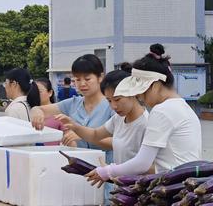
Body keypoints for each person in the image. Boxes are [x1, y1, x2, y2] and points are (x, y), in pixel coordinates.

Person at [86, 44, 202, 187]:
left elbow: (142, 163)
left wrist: (107, 171)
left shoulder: (162, 111)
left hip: (172, 188)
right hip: (186, 185)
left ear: (156, 85)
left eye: (142, 92)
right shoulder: (183, 107)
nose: (140, 97)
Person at [31, 55, 114, 203]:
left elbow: (118, 142)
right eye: (77, 79)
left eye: (87, 79)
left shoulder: (112, 106)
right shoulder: (73, 104)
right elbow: (40, 109)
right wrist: (36, 111)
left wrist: (83, 135)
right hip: (79, 179)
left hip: (107, 177)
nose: (82, 84)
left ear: (100, 77)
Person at [56, 64, 148, 167]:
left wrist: (112, 171)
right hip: (121, 181)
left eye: (117, 99)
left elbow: (150, 166)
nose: (113, 106)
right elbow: (95, 135)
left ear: (133, 93)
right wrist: (75, 126)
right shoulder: (118, 119)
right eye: (109, 101)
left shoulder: (146, 124)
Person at [32, 78, 65, 145]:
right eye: (34, 92)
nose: (36, 94)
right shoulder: (30, 111)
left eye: (39, 91)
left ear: (50, 93)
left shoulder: (59, 114)